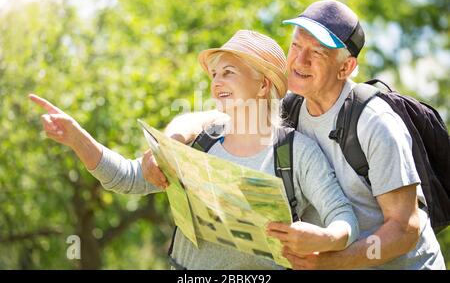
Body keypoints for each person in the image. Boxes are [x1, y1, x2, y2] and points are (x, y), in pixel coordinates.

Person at [30, 29, 359, 270]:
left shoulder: (297, 153)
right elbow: (127, 178)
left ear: (263, 85)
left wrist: (325, 239)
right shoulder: (198, 142)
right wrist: (77, 138)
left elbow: (343, 218)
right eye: (214, 74)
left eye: (228, 72)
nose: (216, 82)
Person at [165, 0, 447, 270]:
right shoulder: (293, 107)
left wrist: (331, 262)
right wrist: (174, 138)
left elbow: (404, 228)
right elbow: (226, 116)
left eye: (317, 53)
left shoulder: (375, 123)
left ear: (346, 67)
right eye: (296, 46)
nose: (299, 61)